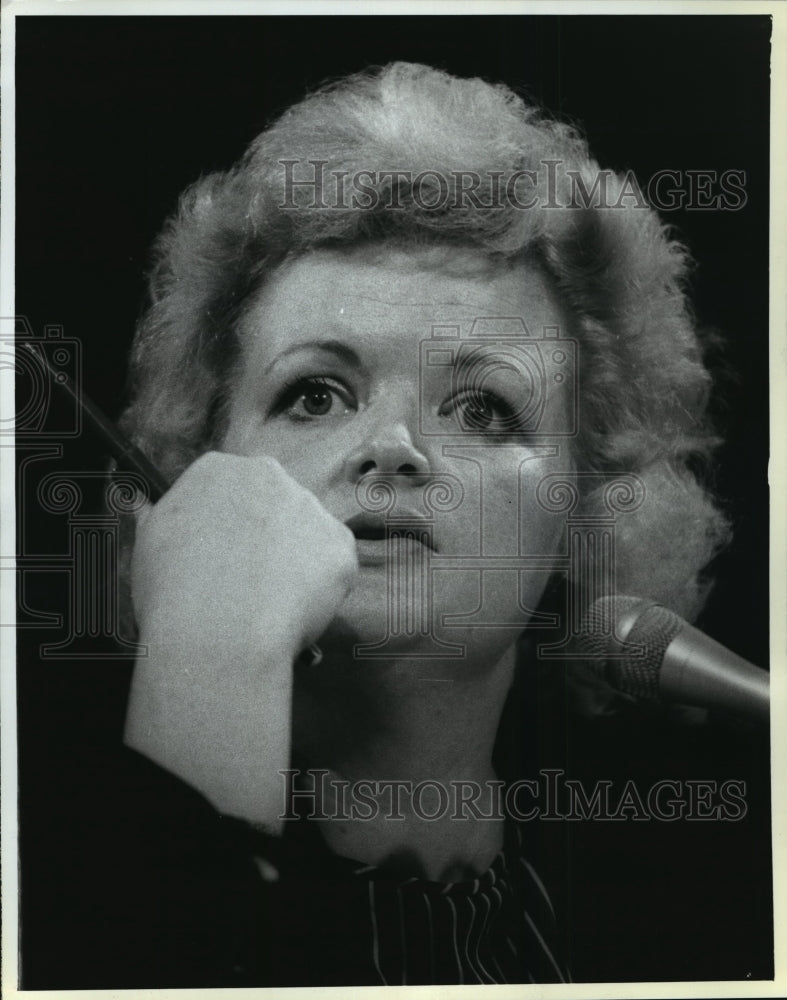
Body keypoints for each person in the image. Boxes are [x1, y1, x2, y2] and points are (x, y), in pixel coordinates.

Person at [27, 62, 730, 988]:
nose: (392, 449)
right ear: (196, 474)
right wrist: (210, 654)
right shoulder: (44, 872)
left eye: (482, 409)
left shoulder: (684, 925)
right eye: (314, 394)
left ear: (586, 506)